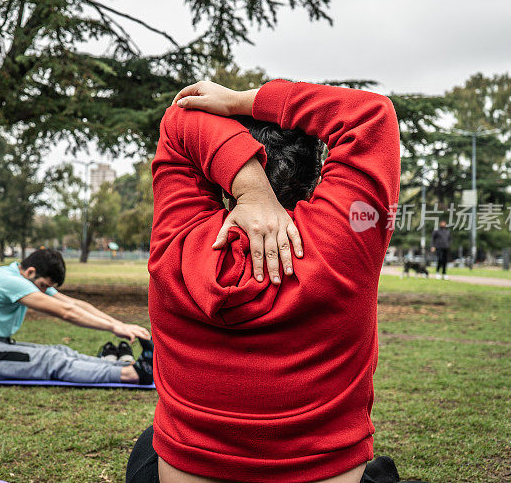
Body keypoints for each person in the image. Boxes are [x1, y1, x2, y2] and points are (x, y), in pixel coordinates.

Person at [137, 79, 400, 482]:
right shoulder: (345, 244)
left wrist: (250, 188)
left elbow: (178, 118)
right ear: (316, 172)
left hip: (190, 471)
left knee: (147, 445)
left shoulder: (177, 245)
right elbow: (370, 114)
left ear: (216, 171)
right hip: (324, 472)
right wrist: (243, 101)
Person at [0, 248, 153, 384]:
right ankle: (131, 375)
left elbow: (74, 303)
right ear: (31, 272)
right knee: (52, 360)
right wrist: (114, 329)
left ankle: (131, 367)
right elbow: (66, 312)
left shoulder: (20, 278)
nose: (44, 291)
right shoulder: (10, 281)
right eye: (43, 286)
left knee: (61, 351)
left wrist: (120, 324)